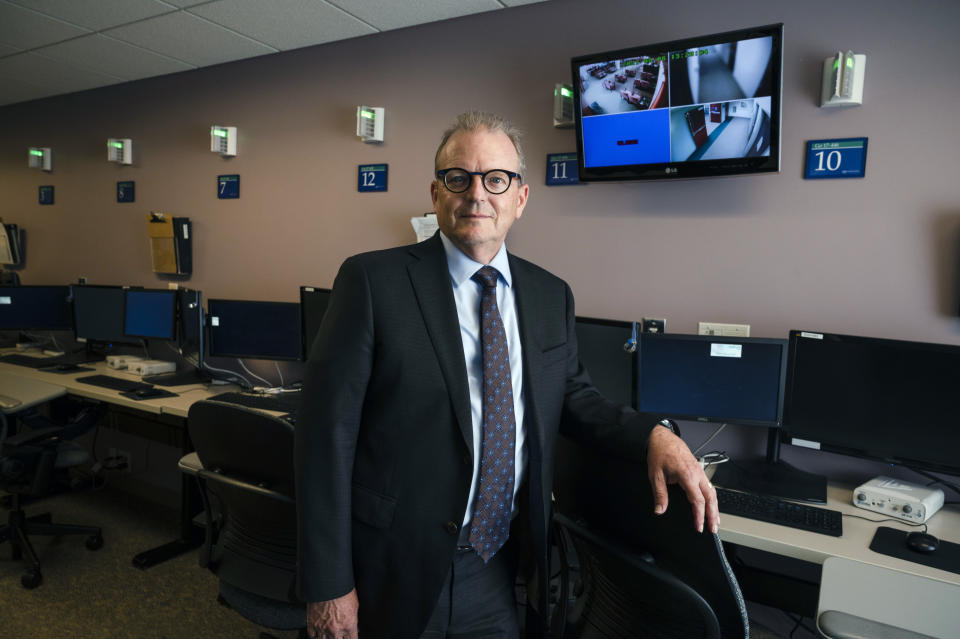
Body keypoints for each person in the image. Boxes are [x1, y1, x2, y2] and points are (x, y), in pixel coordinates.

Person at [296, 111, 718, 639]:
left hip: (500, 566)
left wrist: (656, 434)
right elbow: (323, 437)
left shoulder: (548, 295)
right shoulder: (373, 281)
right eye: (459, 178)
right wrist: (328, 584)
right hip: (390, 564)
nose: (478, 194)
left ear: (520, 198)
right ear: (435, 193)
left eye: (496, 179)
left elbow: (575, 397)